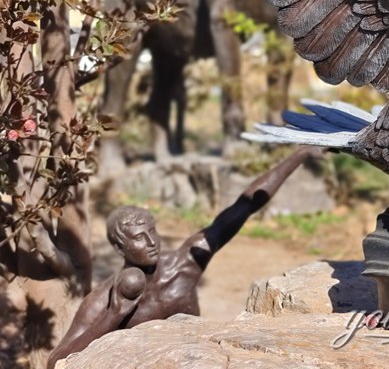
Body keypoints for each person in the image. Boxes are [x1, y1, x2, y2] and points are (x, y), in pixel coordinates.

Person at [48, 147, 319, 367]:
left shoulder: (185, 264)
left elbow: (244, 206)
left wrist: (300, 153)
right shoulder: (103, 301)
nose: (151, 242)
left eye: (152, 231)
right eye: (139, 238)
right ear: (120, 249)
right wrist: (114, 315)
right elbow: (56, 361)